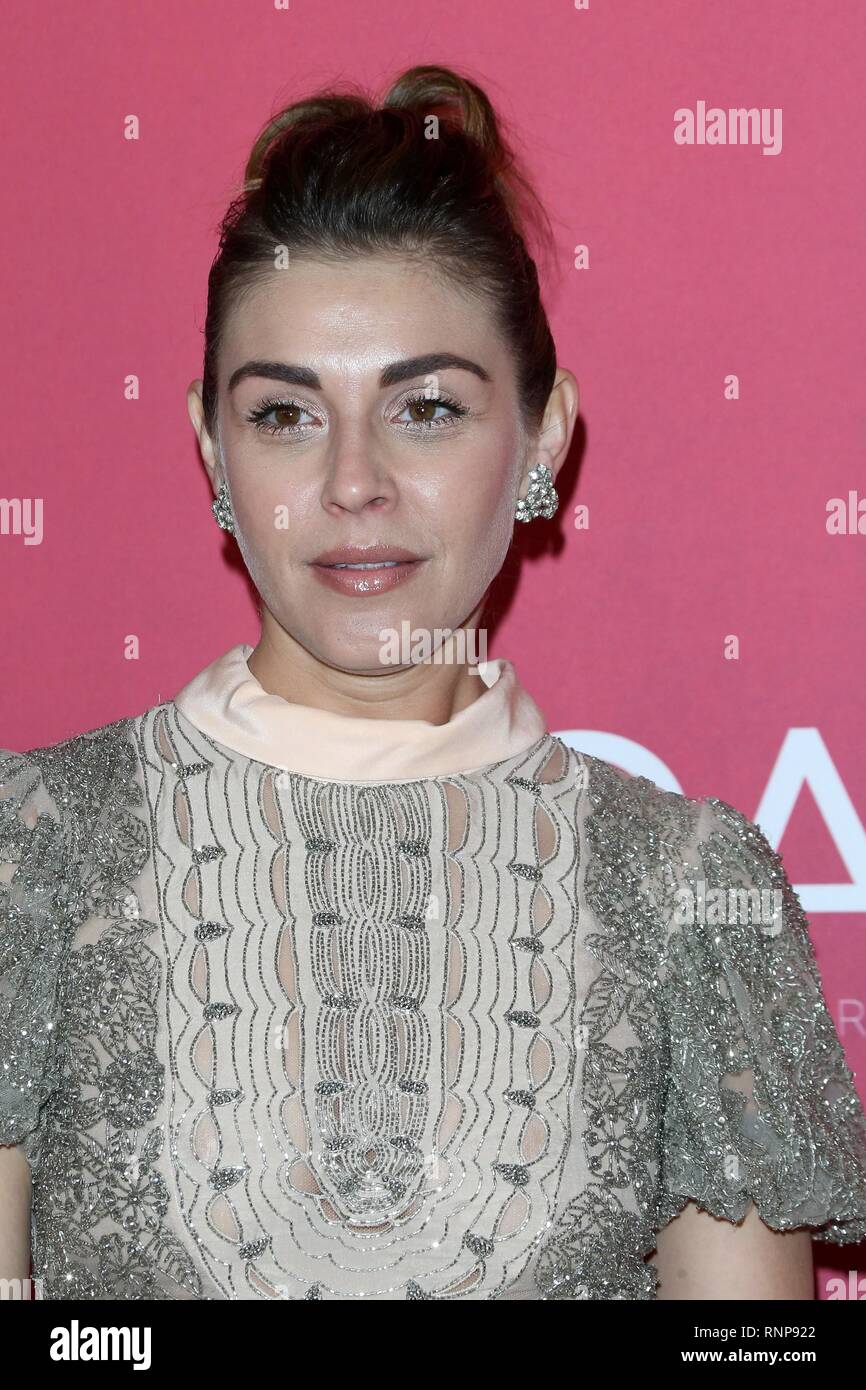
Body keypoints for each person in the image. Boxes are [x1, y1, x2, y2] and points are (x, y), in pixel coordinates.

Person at [2, 64, 865, 1302]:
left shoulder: (684, 893)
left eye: (425, 408)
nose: (353, 482)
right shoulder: (30, 856)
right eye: (286, 416)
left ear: (544, 436)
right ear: (209, 447)